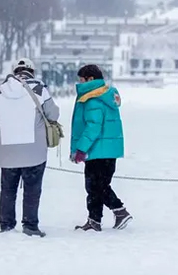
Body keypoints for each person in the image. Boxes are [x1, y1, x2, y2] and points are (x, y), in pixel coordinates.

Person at [0, 58, 60, 237]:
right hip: (34, 151)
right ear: (31, 72)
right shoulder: (40, 90)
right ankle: (30, 225)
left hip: (7, 151)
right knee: (32, 190)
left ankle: (6, 224)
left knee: (8, 190)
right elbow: (54, 114)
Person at [71, 64, 132, 232]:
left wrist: (81, 149)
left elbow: (93, 126)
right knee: (98, 186)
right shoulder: (106, 95)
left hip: (97, 150)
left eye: (81, 80)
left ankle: (119, 212)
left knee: (96, 186)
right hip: (107, 150)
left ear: (90, 80)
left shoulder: (93, 99)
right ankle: (94, 220)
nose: (79, 83)